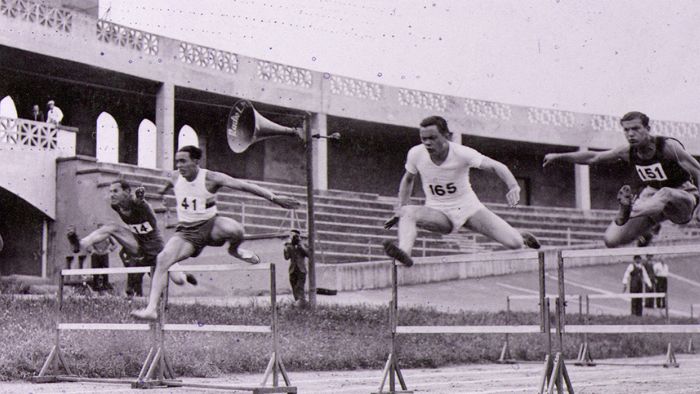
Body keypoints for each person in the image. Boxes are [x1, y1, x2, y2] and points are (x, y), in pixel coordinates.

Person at [130, 145, 300, 320]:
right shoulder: (175, 176)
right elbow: (168, 183)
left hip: (211, 225)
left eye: (183, 161)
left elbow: (244, 185)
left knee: (236, 229)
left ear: (196, 162)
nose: (179, 165)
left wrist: (274, 198)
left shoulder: (211, 178)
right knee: (162, 259)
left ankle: (234, 251)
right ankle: (151, 309)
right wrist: (162, 191)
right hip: (186, 232)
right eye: (176, 162)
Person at [382, 116, 540, 267]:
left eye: (432, 138)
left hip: (468, 208)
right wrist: (400, 208)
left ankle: (520, 236)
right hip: (438, 212)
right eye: (424, 139)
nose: (427, 143)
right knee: (408, 212)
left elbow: (496, 166)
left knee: (515, 244)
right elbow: (408, 179)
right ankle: (404, 254)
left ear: (446, 136)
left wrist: (513, 186)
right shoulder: (416, 154)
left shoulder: (462, 153)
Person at [543, 111, 700, 248]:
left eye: (636, 129)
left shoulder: (668, 147)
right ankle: (642, 223)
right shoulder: (626, 152)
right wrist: (559, 156)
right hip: (650, 197)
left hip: (681, 196)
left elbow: (698, 170)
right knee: (611, 239)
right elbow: (594, 157)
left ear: (648, 129)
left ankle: (631, 212)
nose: (630, 134)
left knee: (665, 193)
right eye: (626, 130)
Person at [67, 180, 197, 298]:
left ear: (127, 192)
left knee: (179, 280)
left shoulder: (141, 205)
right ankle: (80, 243)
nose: (112, 195)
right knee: (111, 227)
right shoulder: (116, 206)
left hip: (157, 249)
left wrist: (139, 198)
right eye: (110, 191)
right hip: (137, 246)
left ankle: (185, 275)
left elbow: (138, 203)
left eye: (115, 191)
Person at [283, 229, 309, 307]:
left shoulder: (304, 244)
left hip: (301, 270)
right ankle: (298, 304)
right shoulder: (289, 246)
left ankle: (302, 304)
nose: (294, 237)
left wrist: (300, 245)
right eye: (292, 236)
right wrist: (285, 248)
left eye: (295, 236)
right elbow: (286, 257)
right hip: (292, 270)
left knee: (300, 288)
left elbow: (308, 254)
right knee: (294, 288)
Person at [89, 223, 116, 292]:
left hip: (104, 254)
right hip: (96, 255)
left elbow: (115, 245)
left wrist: (110, 250)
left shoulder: (107, 236)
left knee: (105, 270)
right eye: (99, 229)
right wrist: (92, 250)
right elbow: (88, 244)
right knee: (95, 271)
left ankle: (105, 286)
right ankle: (95, 287)